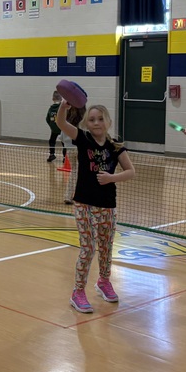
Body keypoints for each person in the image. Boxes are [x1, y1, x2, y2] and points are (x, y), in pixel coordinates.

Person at [55, 100, 136, 314]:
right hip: (84, 203)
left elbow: (131, 171)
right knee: (88, 247)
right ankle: (78, 292)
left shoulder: (115, 146)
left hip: (108, 205)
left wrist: (112, 178)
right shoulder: (83, 139)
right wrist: (64, 106)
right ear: (86, 123)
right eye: (91, 119)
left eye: (101, 119)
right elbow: (61, 123)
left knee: (106, 246)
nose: (96, 122)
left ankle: (103, 281)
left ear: (108, 122)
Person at [61, 105, 85, 205]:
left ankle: (68, 196)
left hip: (69, 149)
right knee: (81, 172)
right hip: (80, 149)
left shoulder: (65, 122)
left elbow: (61, 137)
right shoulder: (84, 122)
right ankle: (80, 196)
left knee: (74, 171)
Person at [45, 90, 67, 163]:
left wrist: (52, 126)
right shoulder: (62, 108)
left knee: (52, 141)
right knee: (64, 143)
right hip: (62, 129)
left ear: (52, 99)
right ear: (61, 99)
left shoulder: (51, 109)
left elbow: (47, 119)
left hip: (54, 129)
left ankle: (52, 154)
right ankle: (65, 157)